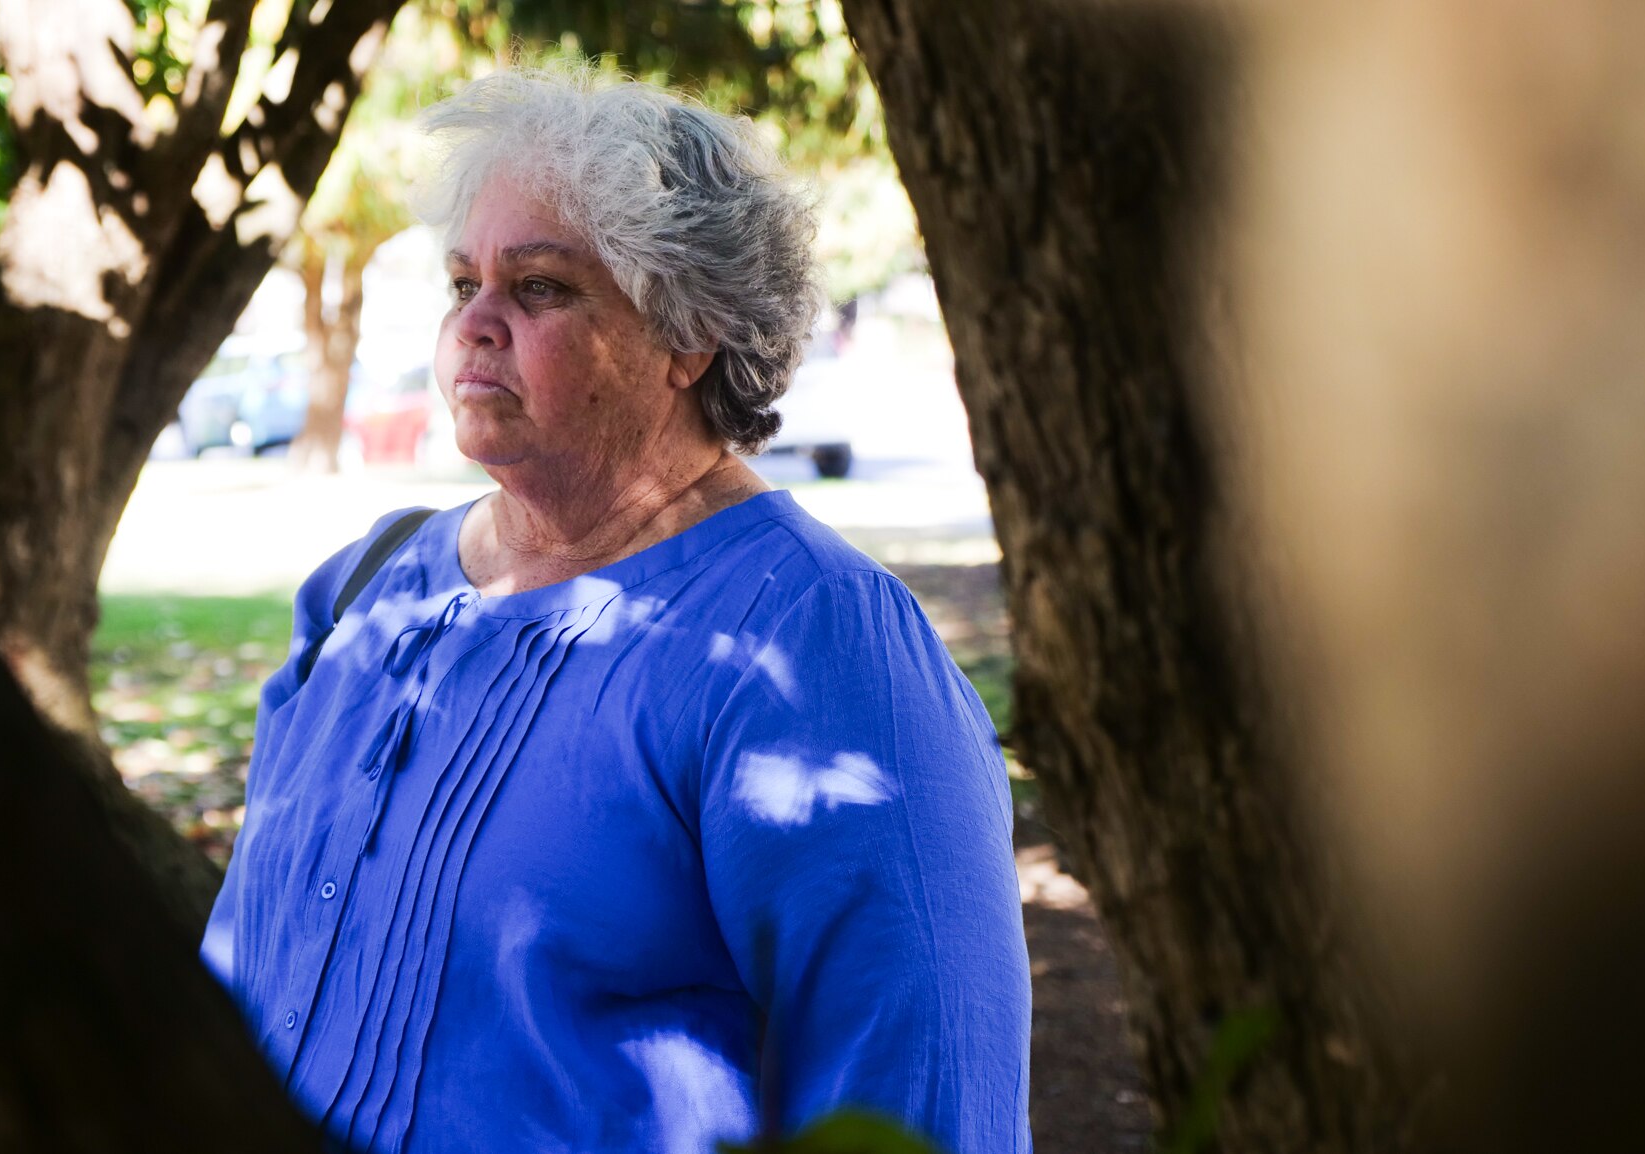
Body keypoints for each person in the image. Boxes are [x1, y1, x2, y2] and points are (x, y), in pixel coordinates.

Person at [201, 67, 1032, 1154]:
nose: (476, 326)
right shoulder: (364, 590)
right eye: (462, 285)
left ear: (691, 335)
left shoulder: (814, 648)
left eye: (539, 286)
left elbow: (920, 1105)